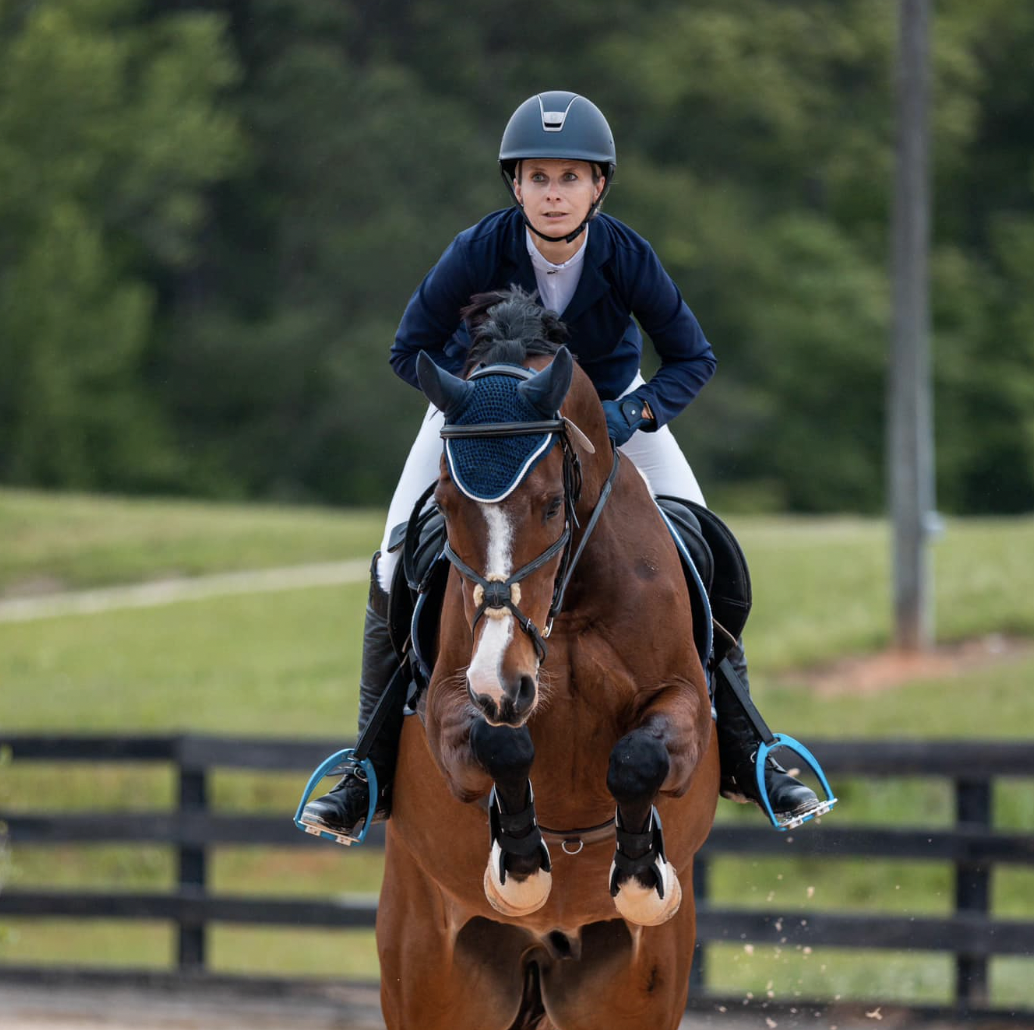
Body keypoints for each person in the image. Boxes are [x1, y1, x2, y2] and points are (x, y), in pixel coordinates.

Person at [301, 91, 822, 838]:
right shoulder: (479, 247)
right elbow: (406, 348)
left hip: (610, 411)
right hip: (485, 420)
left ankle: (747, 749)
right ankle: (367, 767)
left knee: (703, 550)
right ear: (515, 185)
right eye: (538, 178)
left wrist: (628, 417)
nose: (553, 193)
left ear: (598, 186)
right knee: (391, 563)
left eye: (569, 178)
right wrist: (474, 403)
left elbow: (692, 357)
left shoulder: (625, 255)